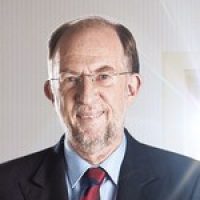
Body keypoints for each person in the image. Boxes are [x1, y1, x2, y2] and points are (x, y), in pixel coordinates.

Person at [0, 16, 200, 200]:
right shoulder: (5, 185)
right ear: (52, 93)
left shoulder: (189, 183)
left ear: (131, 88)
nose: (86, 96)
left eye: (103, 76)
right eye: (70, 79)